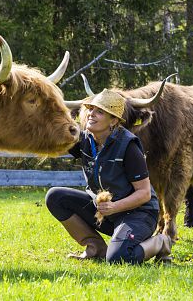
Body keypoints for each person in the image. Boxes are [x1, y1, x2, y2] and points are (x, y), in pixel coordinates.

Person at [45, 89, 171, 264]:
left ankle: (160, 242)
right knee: (55, 197)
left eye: (99, 111)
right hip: (106, 212)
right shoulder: (84, 140)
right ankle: (94, 246)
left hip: (137, 214)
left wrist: (115, 207)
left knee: (119, 258)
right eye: (90, 109)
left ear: (113, 120)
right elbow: (54, 137)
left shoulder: (129, 146)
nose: (91, 114)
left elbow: (144, 194)